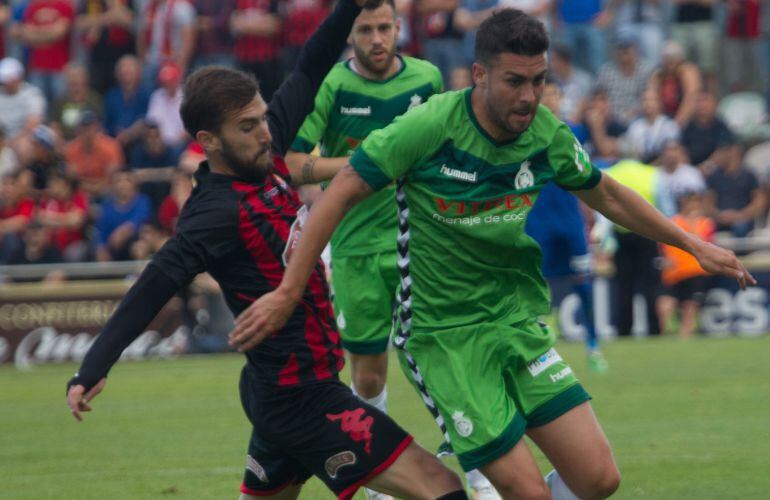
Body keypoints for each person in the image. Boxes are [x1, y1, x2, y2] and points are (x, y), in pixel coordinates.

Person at [232, 9, 754, 499]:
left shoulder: (545, 132)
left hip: (516, 321)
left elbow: (607, 193)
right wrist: (290, 289)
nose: (529, 97)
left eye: (538, 80)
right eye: (514, 81)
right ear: (479, 75)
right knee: (524, 493)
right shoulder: (429, 125)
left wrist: (692, 243)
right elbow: (342, 189)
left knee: (599, 480)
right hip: (445, 336)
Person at [66, 1, 467, 498]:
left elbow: (310, 64)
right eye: (248, 126)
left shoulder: (266, 148)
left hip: (279, 390)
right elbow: (154, 285)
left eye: (261, 118)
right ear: (208, 141)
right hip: (302, 397)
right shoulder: (213, 214)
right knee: (442, 487)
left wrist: (349, 7)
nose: (265, 132)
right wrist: (93, 367)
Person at [285, 3, 483, 498]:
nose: (377, 39)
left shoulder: (427, 78)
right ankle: (377, 476)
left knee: (442, 355)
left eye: (385, 28)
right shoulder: (333, 86)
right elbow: (290, 162)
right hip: (354, 250)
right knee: (369, 378)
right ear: (348, 34)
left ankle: (477, 470)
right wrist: (362, 164)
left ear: (399, 28)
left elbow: (450, 145)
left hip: (421, 242)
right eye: (365, 29)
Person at [529, 81, 606, 374]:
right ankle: (542, 349)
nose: (550, 100)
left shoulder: (574, 132)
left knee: (583, 282)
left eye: (554, 94)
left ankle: (593, 345)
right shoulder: (527, 134)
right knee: (539, 285)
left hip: (570, 221)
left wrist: (592, 214)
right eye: (544, 95)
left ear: (561, 99)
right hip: (538, 220)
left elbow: (591, 171)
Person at [657, 191, 715, 339]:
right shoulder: (673, 221)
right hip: (674, 271)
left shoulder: (704, 222)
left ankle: (685, 335)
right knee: (665, 303)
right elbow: (662, 244)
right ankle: (667, 334)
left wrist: (693, 222)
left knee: (691, 305)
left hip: (695, 270)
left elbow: (707, 243)